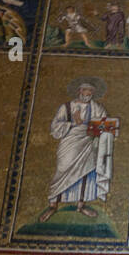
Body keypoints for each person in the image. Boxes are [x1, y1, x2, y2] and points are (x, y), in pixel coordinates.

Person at [40, 79, 114, 222]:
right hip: (70, 142)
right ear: (80, 91)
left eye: (91, 91)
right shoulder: (66, 107)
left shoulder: (97, 108)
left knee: (86, 173)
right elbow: (55, 126)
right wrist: (73, 123)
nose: (88, 93)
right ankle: (53, 204)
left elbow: (106, 126)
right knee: (62, 168)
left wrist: (95, 129)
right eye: (85, 90)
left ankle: (81, 204)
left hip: (88, 143)